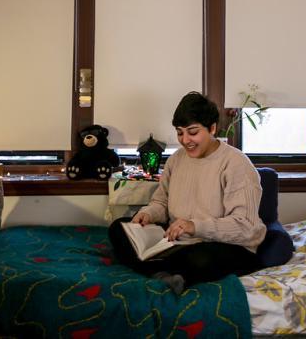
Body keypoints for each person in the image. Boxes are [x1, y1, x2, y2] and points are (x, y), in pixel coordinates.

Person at [108, 91, 266, 295]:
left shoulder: (237, 164)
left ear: (212, 128)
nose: (185, 140)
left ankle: (158, 270)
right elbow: (161, 202)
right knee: (118, 228)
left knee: (199, 259)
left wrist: (194, 226)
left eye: (192, 132)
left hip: (224, 245)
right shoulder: (176, 160)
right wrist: (149, 214)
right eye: (180, 132)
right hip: (179, 240)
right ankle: (168, 273)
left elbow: (245, 227)